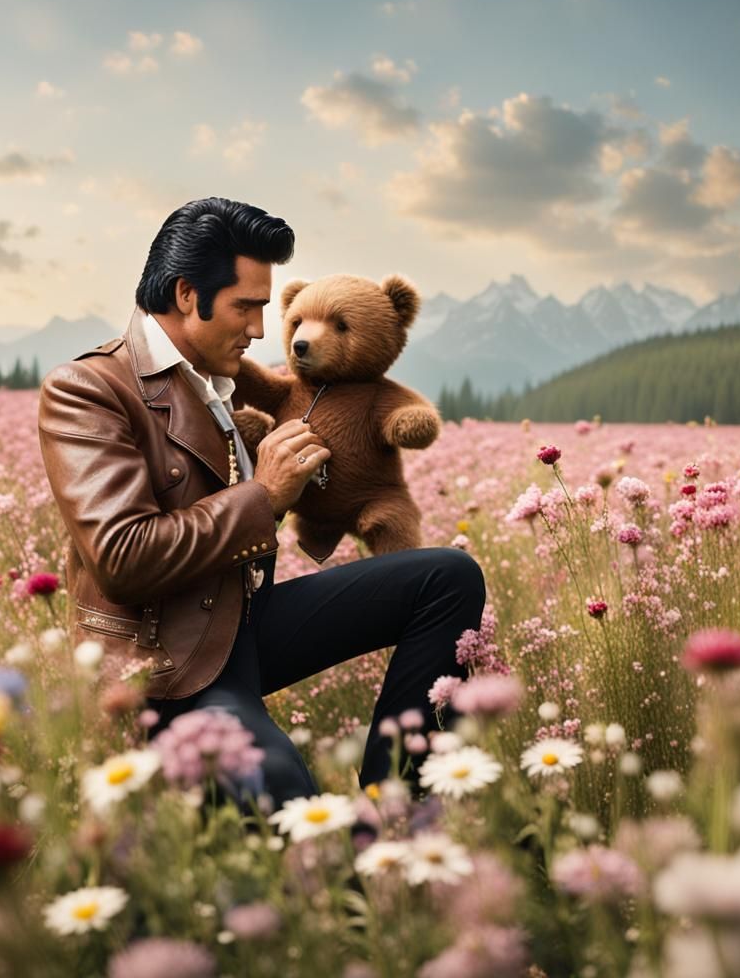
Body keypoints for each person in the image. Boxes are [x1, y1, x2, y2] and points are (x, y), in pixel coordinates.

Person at [38, 196, 485, 807]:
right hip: (166, 659)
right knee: (281, 783)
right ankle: (341, 858)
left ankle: (399, 809)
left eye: (264, 308)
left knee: (448, 577)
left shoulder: (213, 376)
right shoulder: (89, 389)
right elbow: (122, 559)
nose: (259, 329)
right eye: (244, 307)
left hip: (239, 619)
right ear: (188, 295)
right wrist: (265, 493)